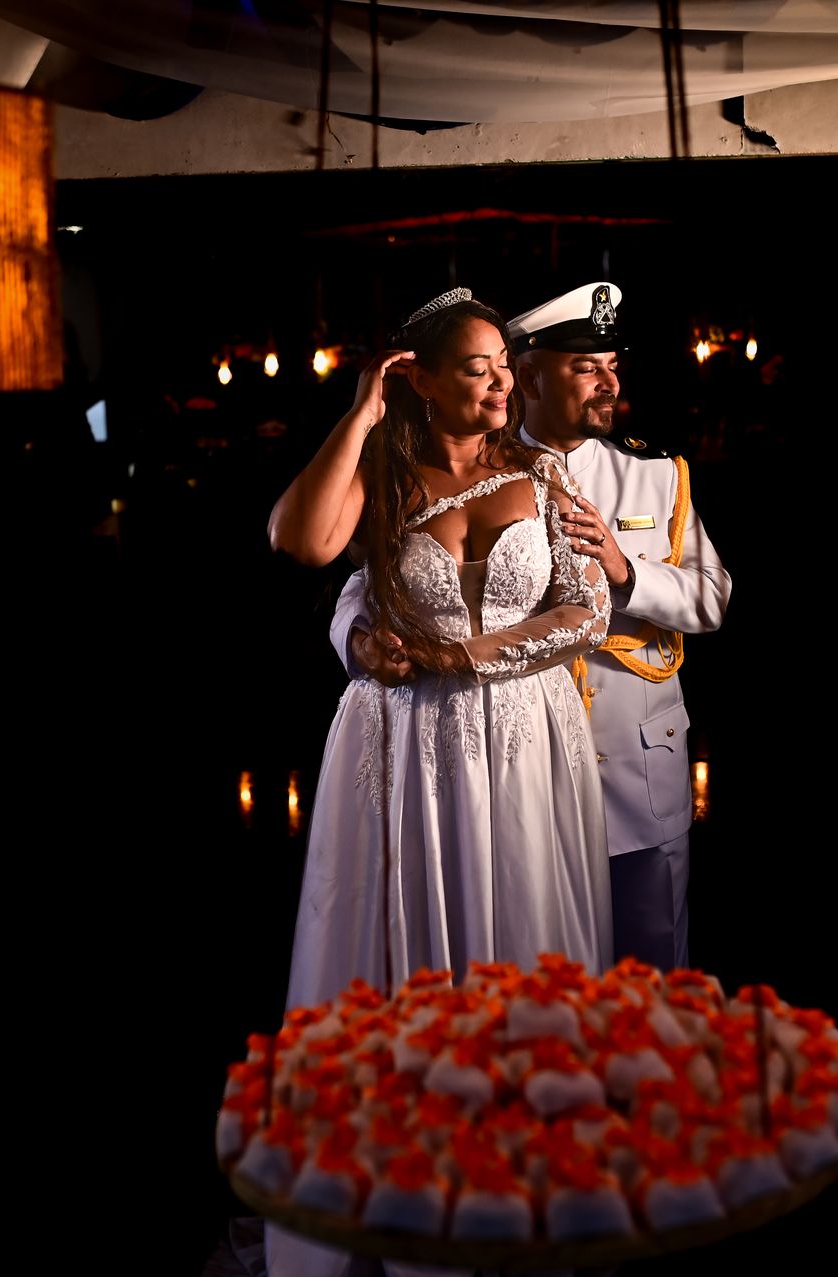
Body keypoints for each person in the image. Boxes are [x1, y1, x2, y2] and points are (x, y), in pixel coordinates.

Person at [265, 286, 615, 1277]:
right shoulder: (379, 466)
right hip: (406, 745)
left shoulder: (546, 476)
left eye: (507, 365)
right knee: (402, 938)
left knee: (513, 937)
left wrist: (471, 657)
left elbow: (584, 611)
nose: (506, 381)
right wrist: (363, 410)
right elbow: (305, 546)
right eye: (481, 366)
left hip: (516, 739)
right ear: (417, 377)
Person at [332, 281, 730, 972]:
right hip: (504, 768)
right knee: (524, 958)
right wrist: (356, 640)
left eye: (613, 365)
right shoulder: (468, 456)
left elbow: (711, 598)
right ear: (533, 375)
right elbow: (371, 580)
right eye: (586, 367)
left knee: (652, 972)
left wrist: (624, 569)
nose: (608, 383)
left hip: (635, 770)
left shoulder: (655, 474)